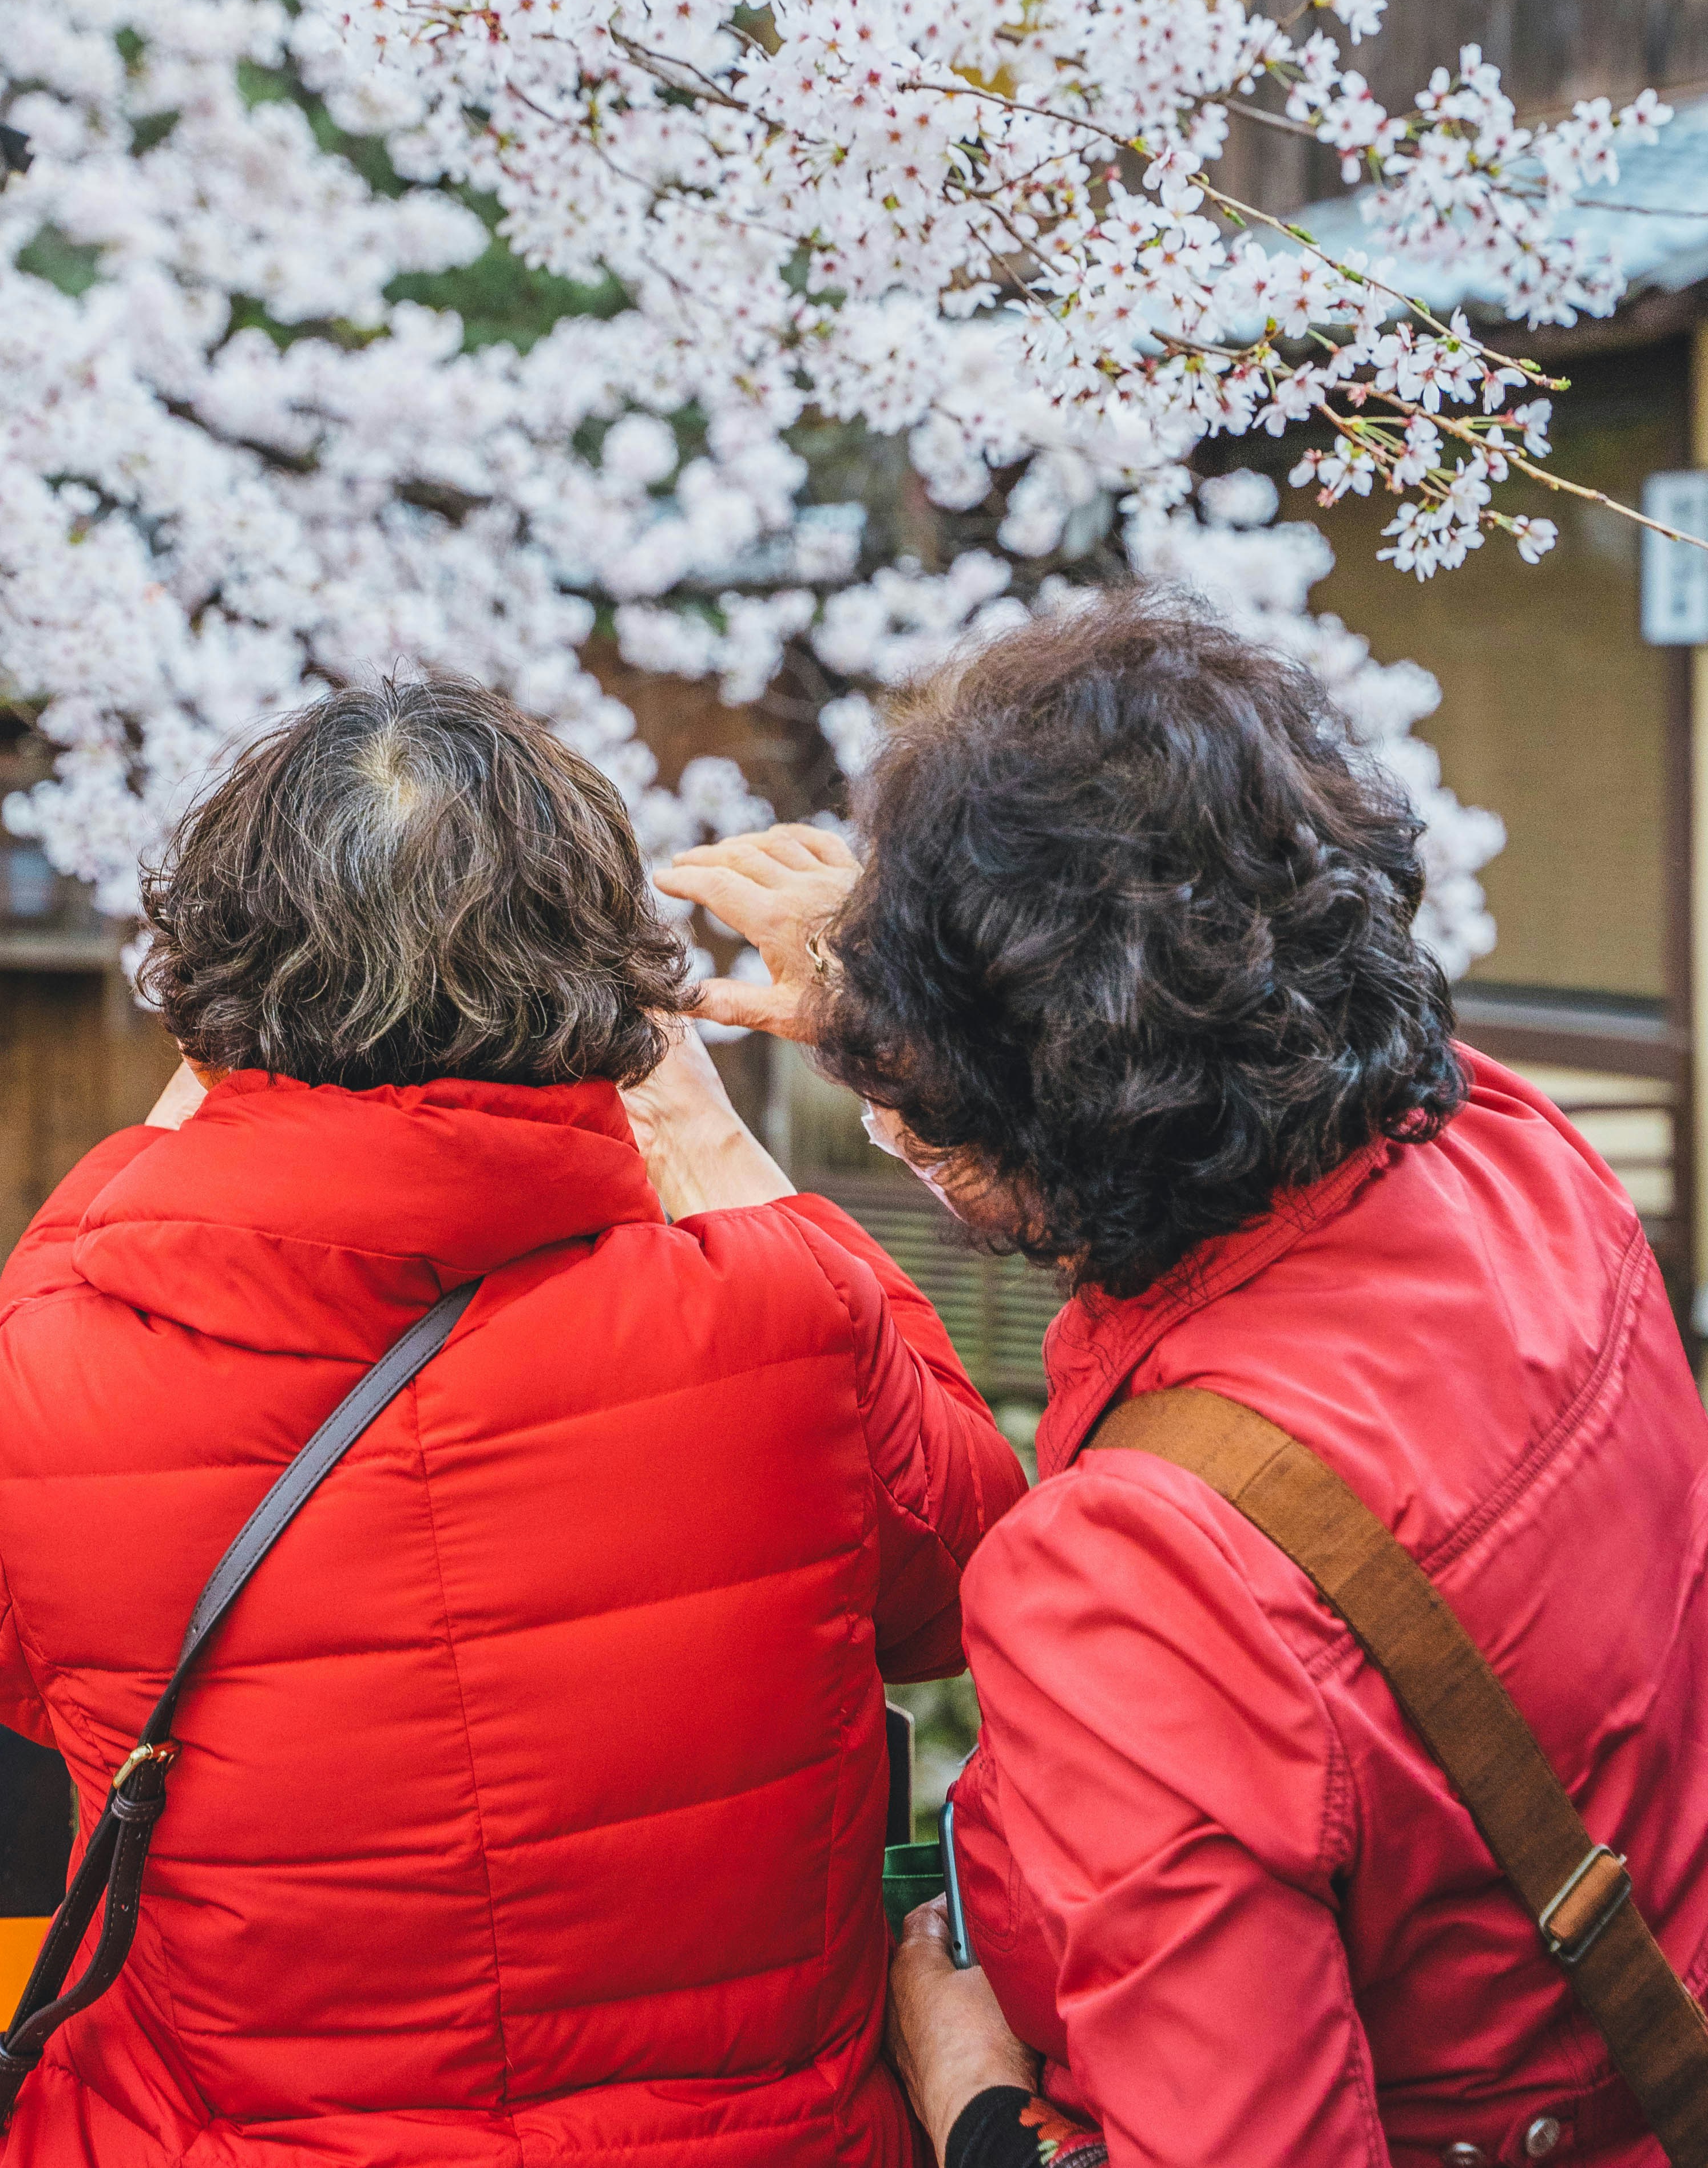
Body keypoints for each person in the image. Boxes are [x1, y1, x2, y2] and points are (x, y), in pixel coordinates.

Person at [0, 676, 1024, 2165]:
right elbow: (965, 1580)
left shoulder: (70, 1356)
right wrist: (713, 1142)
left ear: (216, 984)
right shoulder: (785, 1314)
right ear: (606, 984)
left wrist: (156, 1151)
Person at [657, 589, 1708, 2168]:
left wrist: (971, 2100)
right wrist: (915, 1012)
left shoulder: (1138, 1575)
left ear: (1021, 1100)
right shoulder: (1503, 1149)